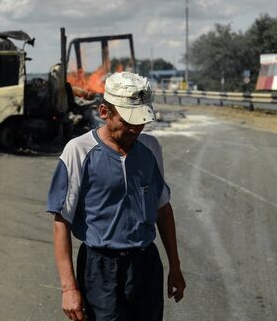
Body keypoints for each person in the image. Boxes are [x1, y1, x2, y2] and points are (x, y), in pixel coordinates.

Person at [47, 72, 186, 321]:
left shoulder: (151, 148)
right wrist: (69, 288)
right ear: (104, 112)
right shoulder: (78, 151)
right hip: (100, 269)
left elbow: (163, 208)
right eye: (128, 120)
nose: (136, 127)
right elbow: (62, 222)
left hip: (145, 266)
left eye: (141, 120)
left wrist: (175, 267)